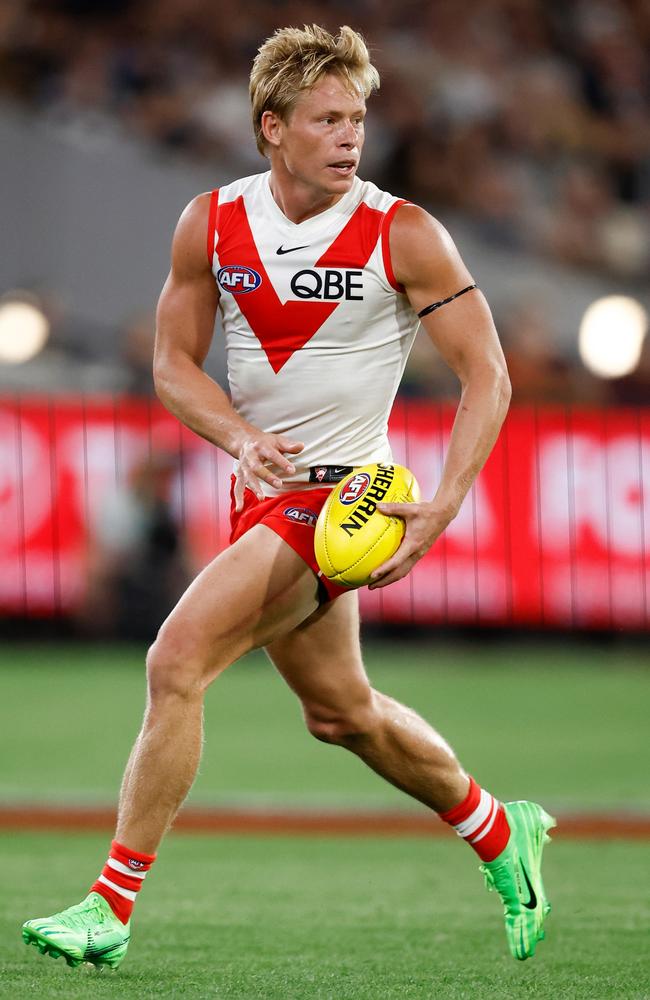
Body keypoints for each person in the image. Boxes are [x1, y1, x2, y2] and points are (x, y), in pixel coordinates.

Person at [22, 24, 554, 970]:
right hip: (256, 492)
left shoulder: (405, 230)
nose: (351, 137)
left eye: (358, 118)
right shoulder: (211, 221)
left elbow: (490, 377)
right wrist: (237, 435)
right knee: (340, 713)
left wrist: (444, 506)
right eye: (327, 119)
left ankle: (109, 907)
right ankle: (499, 831)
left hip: (341, 502)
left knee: (174, 660)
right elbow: (172, 363)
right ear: (273, 127)